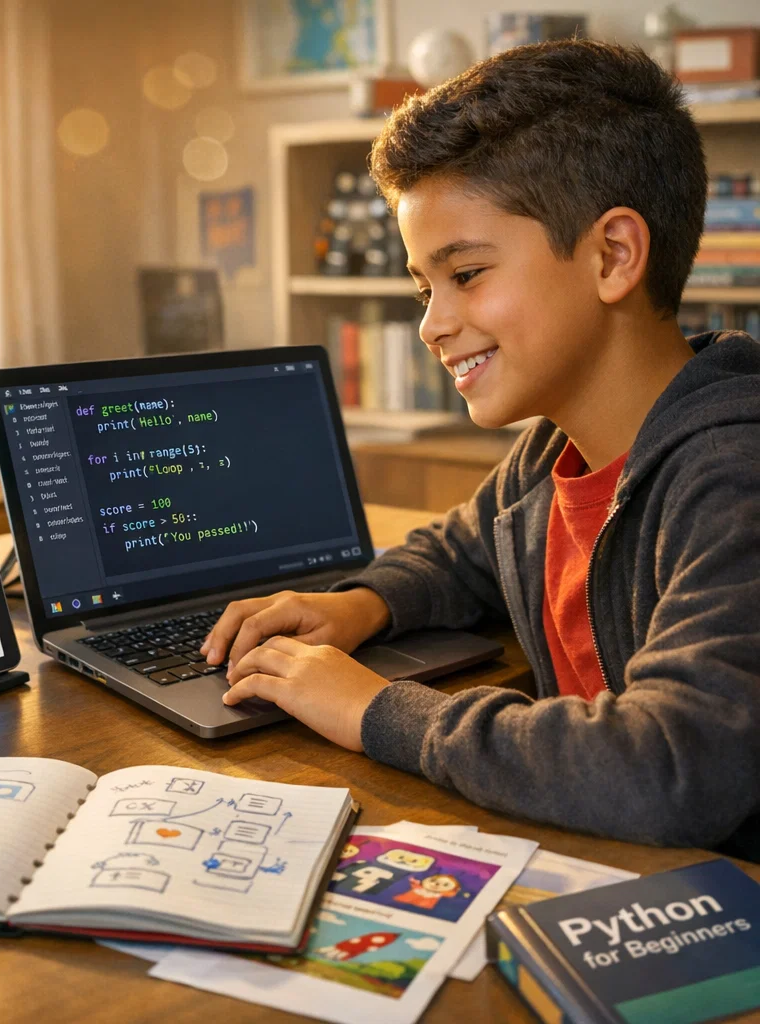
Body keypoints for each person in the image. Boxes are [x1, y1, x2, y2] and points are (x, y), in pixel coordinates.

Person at [201, 39, 760, 857]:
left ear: (613, 255)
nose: (431, 325)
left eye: (465, 275)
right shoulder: (549, 456)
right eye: (424, 288)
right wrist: (359, 606)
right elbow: (461, 555)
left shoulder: (731, 476)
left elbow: (671, 769)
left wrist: (374, 710)